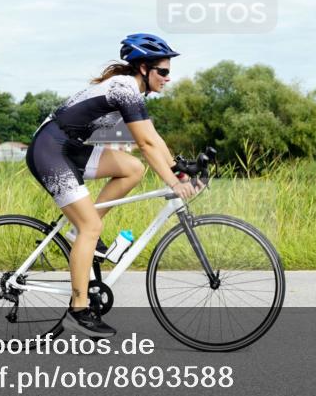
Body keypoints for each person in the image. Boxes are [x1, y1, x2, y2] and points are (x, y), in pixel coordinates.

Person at [24, 33, 202, 338]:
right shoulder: (125, 89)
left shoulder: (133, 92)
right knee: (91, 227)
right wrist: (173, 181)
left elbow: (153, 138)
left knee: (132, 168)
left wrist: (178, 170)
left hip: (70, 149)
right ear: (144, 68)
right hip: (49, 151)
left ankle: (79, 232)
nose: (168, 78)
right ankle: (78, 311)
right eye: (163, 71)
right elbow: (145, 144)